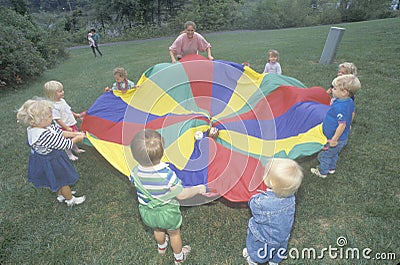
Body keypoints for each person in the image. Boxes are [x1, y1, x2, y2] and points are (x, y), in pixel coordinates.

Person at [129, 129, 208, 264]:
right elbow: (182, 195)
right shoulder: (167, 174)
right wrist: (198, 188)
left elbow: (134, 184)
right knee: (174, 233)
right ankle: (179, 257)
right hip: (167, 213)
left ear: (135, 156)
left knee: (158, 229)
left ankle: (161, 247)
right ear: (163, 152)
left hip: (147, 212)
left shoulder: (134, 173)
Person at [16, 98, 86, 206]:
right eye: (49, 116)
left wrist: (76, 134)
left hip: (47, 159)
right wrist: (78, 138)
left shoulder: (40, 127)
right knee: (63, 180)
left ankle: (61, 195)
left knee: (57, 179)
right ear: (38, 120)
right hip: (52, 160)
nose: (52, 118)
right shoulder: (44, 135)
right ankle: (70, 200)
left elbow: (60, 133)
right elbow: (65, 144)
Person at [242, 158, 303, 265]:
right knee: (279, 250)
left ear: (270, 182)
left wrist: (255, 196)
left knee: (258, 250)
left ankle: (253, 260)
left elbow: (252, 204)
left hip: (264, 237)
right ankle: (274, 262)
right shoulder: (291, 198)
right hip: (282, 236)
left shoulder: (261, 202)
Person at [311, 74, 361, 178]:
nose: (332, 90)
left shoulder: (340, 107)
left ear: (344, 92)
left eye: (334, 88)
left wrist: (334, 139)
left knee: (324, 155)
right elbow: (352, 113)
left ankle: (322, 172)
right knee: (333, 154)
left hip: (335, 138)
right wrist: (349, 124)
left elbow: (341, 125)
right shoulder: (349, 101)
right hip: (342, 138)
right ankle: (331, 168)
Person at [44, 80, 85, 161]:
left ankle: (76, 149)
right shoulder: (54, 106)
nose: (63, 92)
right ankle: (69, 154)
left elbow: (68, 110)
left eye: (62, 90)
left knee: (73, 136)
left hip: (70, 124)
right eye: (60, 91)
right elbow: (57, 119)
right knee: (66, 141)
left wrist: (75, 115)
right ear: (52, 94)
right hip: (64, 127)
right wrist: (66, 127)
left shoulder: (62, 101)